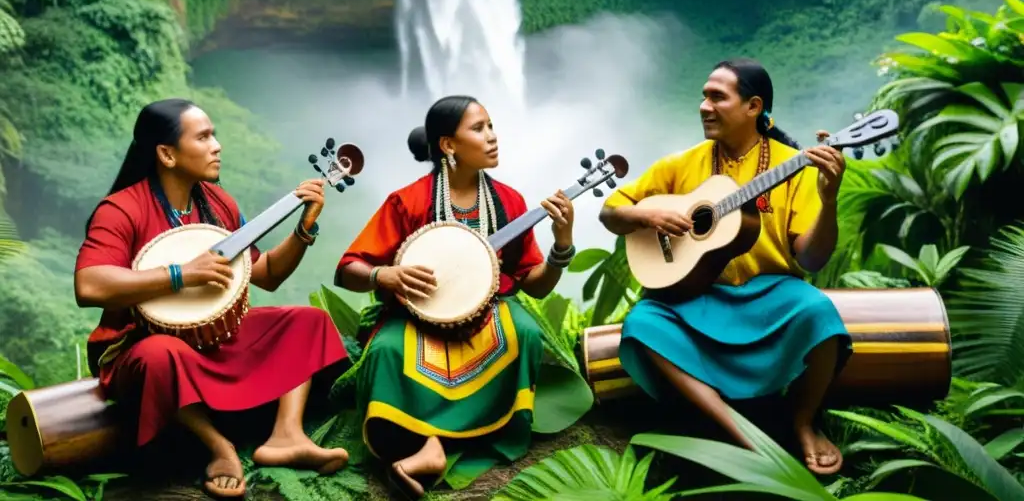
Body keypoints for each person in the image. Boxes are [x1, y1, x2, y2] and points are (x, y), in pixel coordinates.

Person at [74, 99, 350, 499]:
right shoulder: (121, 209)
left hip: (215, 338)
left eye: (214, 135)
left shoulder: (218, 203)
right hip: (142, 346)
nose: (217, 145)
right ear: (166, 154)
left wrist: (304, 229)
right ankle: (219, 448)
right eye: (203, 137)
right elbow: (90, 285)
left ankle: (286, 435)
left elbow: (267, 274)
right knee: (161, 355)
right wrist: (180, 275)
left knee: (306, 321)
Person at [598, 58, 851, 476]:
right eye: (703, 96)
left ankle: (803, 421)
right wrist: (648, 217)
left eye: (717, 97)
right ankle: (741, 434)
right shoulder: (682, 164)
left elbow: (811, 258)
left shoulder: (794, 165)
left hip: (771, 295)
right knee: (642, 323)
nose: (703, 105)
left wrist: (828, 200)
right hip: (695, 297)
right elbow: (612, 211)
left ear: (754, 107)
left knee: (820, 314)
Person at [335, 95, 576, 499]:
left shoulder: (509, 203)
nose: (492, 137)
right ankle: (429, 445)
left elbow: (533, 283)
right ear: (448, 145)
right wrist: (386, 275)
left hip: (487, 312)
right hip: (416, 315)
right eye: (479, 128)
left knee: (524, 334)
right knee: (388, 352)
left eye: (491, 126)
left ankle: (442, 443)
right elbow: (348, 270)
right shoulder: (408, 200)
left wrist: (562, 245)